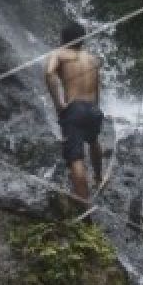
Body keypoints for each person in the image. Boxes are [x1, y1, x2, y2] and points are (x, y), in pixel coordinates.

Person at [45, 21, 104, 204]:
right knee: (93, 140)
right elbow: (97, 87)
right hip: (93, 108)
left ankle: (83, 205)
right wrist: (96, 108)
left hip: (74, 108)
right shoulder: (93, 59)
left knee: (75, 157)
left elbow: (49, 73)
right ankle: (98, 177)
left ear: (63, 39)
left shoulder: (59, 54)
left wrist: (59, 104)